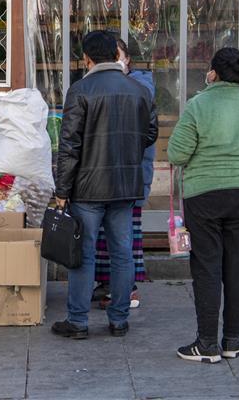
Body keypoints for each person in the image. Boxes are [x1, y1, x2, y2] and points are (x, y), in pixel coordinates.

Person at [167, 47, 239, 363]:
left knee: (207, 267)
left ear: (213, 73)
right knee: (238, 269)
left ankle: (206, 344)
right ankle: (232, 340)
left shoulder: (198, 105)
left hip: (203, 197)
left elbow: (176, 154)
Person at [52, 30, 158, 340]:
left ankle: (78, 321)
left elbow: (69, 146)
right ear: (116, 55)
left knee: (83, 255)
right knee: (122, 253)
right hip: (125, 186)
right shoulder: (139, 90)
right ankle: (119, 320)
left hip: (88, 188)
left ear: (86, 59)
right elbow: (149, 135)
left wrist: (62, 191)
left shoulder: (80, 90)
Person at [93, 39, 154, 309]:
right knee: (106, 237)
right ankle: (108, 285)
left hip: (130, 175)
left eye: (119, 55)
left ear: (128, 59)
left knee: (123, 236)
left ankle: (127, 290)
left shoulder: (141, 87)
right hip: (105, 175)